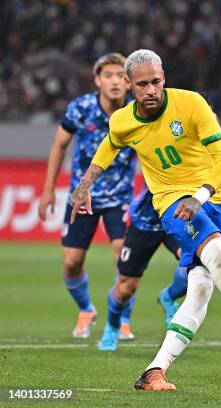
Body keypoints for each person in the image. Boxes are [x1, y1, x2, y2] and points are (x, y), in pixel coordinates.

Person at [70, 49, 221, 390]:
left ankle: (154, 372)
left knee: (200, 290)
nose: (151, 90)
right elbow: (109, 146)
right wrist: (84, 184)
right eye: (142, 84)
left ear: (164, 78)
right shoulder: (123, 120)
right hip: (173, 204)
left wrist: (200, 196)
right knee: (218, 261)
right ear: (128, 84)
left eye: (156, 81)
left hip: (214, 199)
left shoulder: (192, 104)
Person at [37, 52, 137, 340]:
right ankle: (85, 309)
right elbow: (59, 146)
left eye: (121, 75)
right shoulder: (80, 109)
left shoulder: (138, 112)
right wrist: (47, 190)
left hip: (121, 198)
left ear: (129, 82)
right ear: (97, 80)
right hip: (83, 196)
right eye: (108, 76)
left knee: (124, 256)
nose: (115, 81)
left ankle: (123, 319)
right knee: (71, 261)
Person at [97, 185, 181, 351]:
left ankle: (169, 297)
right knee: (126, 288)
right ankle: (113, 326)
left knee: (197, 261)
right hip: (146, 221)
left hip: (180, 218)